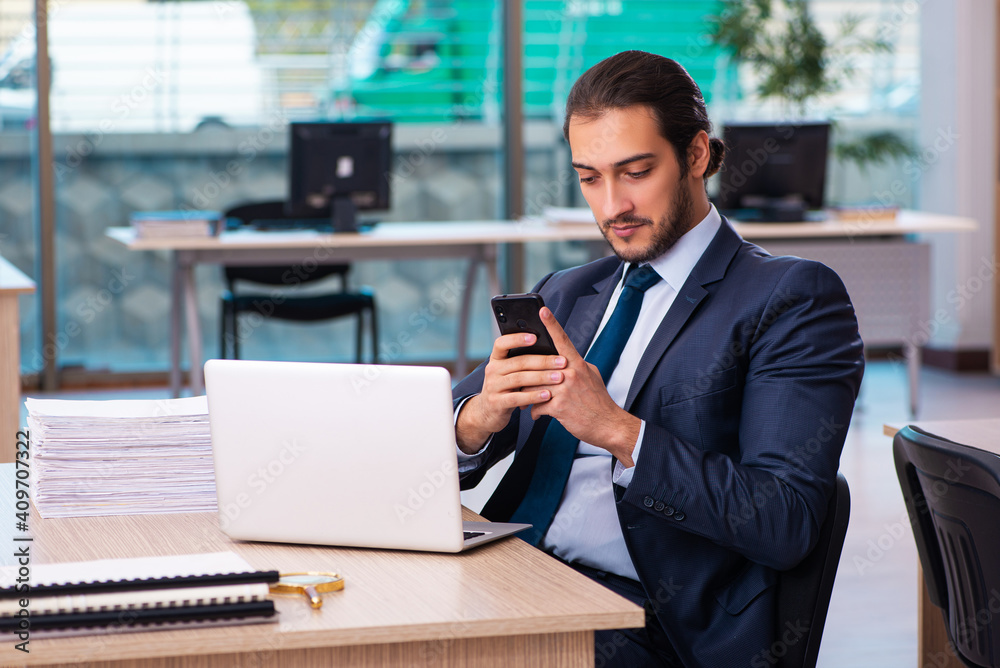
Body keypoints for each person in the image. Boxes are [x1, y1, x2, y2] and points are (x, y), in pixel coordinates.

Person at [452, 50, 864, 668]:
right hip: (520, 576)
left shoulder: (791, 299)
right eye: (589, 177)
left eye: (635, 172)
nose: (611, 204)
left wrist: (618, 430)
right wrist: (478, 418)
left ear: (696, 155)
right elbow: (437, 433)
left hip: (654, 622)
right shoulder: (567, 291)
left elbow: (784, 520)